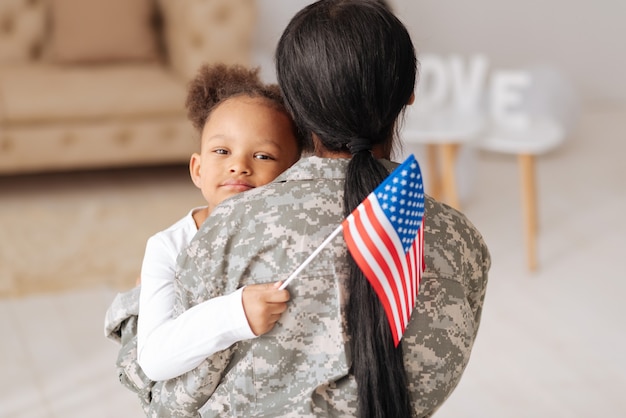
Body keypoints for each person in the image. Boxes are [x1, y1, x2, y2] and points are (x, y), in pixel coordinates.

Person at [127, 1, 490, 417]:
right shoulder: (463, 240)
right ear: (408, 93)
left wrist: (134, 309)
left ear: (295, 107)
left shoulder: (226, 230)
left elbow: (172, 397)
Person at [104, 63, 300, 412]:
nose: (239, 165)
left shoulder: (290, 238)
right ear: (197, 169)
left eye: (263, 155)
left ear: (292, 174)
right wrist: (235, 313)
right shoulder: (168, 247)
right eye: (222, 151)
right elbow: (155, 360)